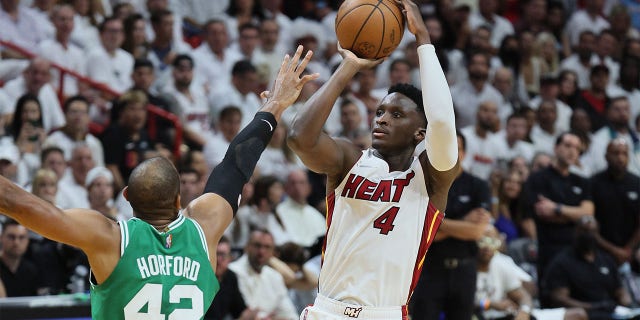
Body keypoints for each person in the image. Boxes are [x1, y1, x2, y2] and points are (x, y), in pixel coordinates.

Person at [0, 46, 318, 319]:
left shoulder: (109, 238)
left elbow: (22, 206)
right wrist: (274, 105)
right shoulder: (203, 229)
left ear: (126, 196)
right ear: (179, 200)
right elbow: (235, 166)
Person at [287, 1, 459, 318]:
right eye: (379, 111)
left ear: (420, 133)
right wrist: (349, 67)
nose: (381, 119)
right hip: (327, 310)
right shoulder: (349, 159)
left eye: (396, 114)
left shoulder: (430, 178)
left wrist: (424, 42)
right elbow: (299, 137)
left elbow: (445, 126)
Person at [411, 132, 491, 320]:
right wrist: (464, 223)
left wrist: (436, 224)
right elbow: (422, 233)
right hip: (429, 269)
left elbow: (477, 231)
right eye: (445, 148)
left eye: (457, 148)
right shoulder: (425, 184)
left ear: (464, 153)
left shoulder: (478, 185)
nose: (451, 153)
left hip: (465, 269)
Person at [229, 229, 299, 319]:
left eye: (267, 247)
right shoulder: (233, 272)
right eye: (257, 246)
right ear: (247, 247)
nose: (261, 252)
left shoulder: (275, 276)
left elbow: (290, 314)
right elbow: (249, 313)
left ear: (273, 252)